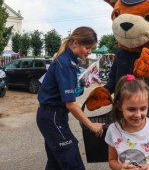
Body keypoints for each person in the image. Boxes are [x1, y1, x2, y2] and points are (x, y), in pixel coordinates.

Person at [36, 26, 105, 170]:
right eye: (87, 47)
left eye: (91, 48)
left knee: (55, 163)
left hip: (52, 116)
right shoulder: (65, 63)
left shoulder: (68, 61)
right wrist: (91, 126)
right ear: (75, 43)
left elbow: (64, 95)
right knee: (72, 161)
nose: (89, 51)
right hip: (52, 117)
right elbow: (70, 104)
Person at [105, 74, 149, 170]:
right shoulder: (113, 130)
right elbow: (112, 160)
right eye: (131, 109)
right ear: (120, 106)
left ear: (148, 104)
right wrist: (120, 167)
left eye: (143, 108)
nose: (138, 114)